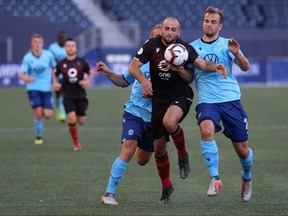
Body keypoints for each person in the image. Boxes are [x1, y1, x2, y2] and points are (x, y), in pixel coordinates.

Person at [129, 17, 227, 204]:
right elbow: (133, 67)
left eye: (174, 29)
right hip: (159, 99)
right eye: (167, 28)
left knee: (170, 122)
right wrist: (143, 80)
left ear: (179, 32)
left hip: (181, 95)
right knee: (158, 148)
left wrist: (213, 67)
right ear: (163, 29)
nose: (170, 32)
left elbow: (195, 72)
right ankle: (167, 186)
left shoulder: (185, 49)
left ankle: (182, 154)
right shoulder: (151, 45)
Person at [190, 6, 253, 202]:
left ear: (220, 26)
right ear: (203, 22)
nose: (209, 24)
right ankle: (215, 178)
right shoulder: (192, 48)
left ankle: (247, 178)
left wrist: (238, 54)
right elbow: (187, 75)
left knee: (242, 149)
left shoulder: (228, 44)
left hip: (231, 100)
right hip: (208, 101)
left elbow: (245, 67)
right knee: (206, 130)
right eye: (207, 21)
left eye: (213, 22)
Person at [97, 24, 162, 205]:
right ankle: (108, 194)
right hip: (134, 112)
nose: (159, 42)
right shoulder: (140, 62)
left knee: (142, 160)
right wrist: (109, 73)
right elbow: (124, 81)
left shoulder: (171, 64)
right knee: (129, 148)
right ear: (149, 41)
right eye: (155, 38)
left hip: (154, 120)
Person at [53, 38, 92, 151]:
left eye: (72, 46)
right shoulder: (61, 64)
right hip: (67, 95)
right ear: (65, 48)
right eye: (68, 46)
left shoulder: (82, 62)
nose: (70, 48)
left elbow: (89, 73)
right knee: (71, 118)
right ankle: (76, 144)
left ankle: (85, 104)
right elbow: (55, 75)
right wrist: (55, 83)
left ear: (76, 48)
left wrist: (87, 81)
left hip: (80, 95)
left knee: (82, 121)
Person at [19, 34, 56, 145]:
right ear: (32, 44)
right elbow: (21, 74)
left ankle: (50, 105)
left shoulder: (48, 55)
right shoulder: (27, 57)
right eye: (35, 42)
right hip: (33, 88)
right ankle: (38, 137)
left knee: (48, 115)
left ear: (43, 44)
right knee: (39, 113)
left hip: (46, 88)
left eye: (39, 42)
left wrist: (55, 81)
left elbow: (55, 68)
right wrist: (27, 78)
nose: (37, 44)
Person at [49, 30, 67, 122]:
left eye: (63, 37)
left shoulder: (68, 47)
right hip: (57, 76)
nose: (61, 39)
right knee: (57, 95)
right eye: (60, 37)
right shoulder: (52, 48)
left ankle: (63, 113)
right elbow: (49, 60)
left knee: (65, 94)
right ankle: (59, 109)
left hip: (66, 76)